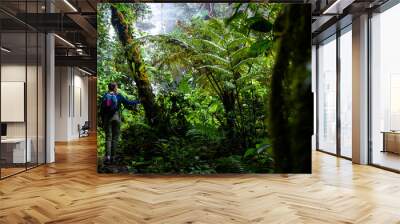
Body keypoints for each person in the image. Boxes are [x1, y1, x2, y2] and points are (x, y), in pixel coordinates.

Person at [100, 82, 139, 165]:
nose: (117, 88)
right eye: (116, 87)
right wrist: (138, 101)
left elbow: (102, 109)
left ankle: (107, 157)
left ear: (108, 88)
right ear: (114, 88)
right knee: (115, 138)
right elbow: (128, 102)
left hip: (107, 118)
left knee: (108, 138)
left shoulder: (105, 95)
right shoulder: (119, 96)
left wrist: (103, 120)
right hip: (116, 118)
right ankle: (113, 157)